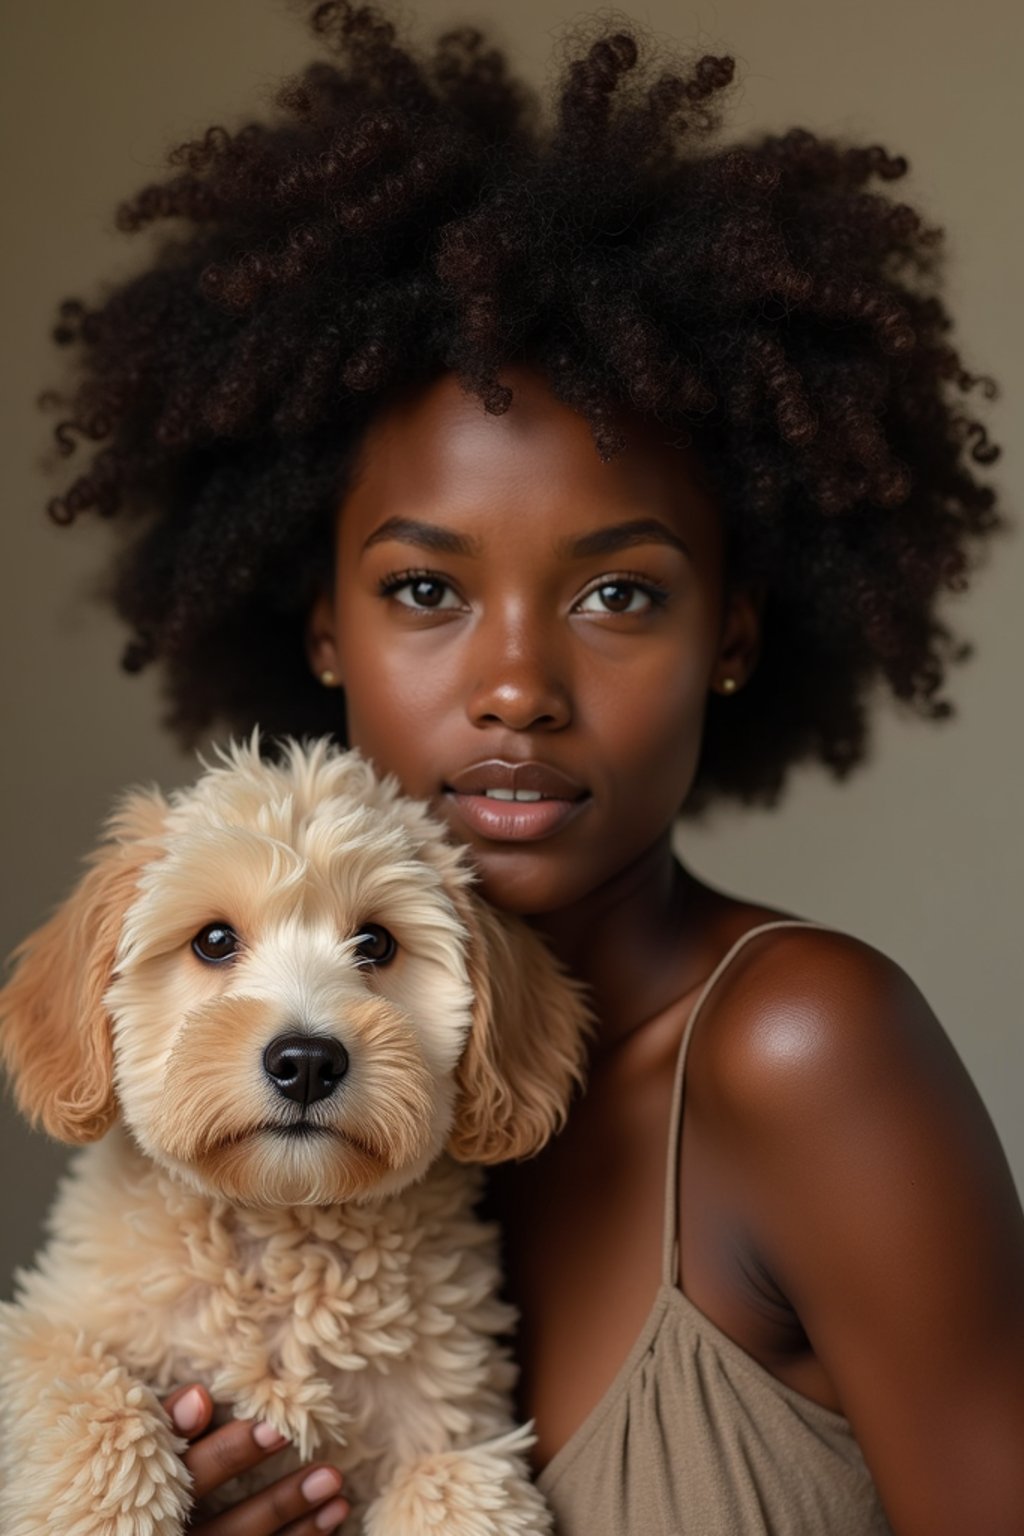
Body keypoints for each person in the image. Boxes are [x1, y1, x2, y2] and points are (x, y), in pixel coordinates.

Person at [35, 3, 1024, 1531]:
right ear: (321, 630)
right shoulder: (253, 1145)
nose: (515, 687)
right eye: (427, 591)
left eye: (618, 594)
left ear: (735, 635)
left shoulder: (802, 1053)